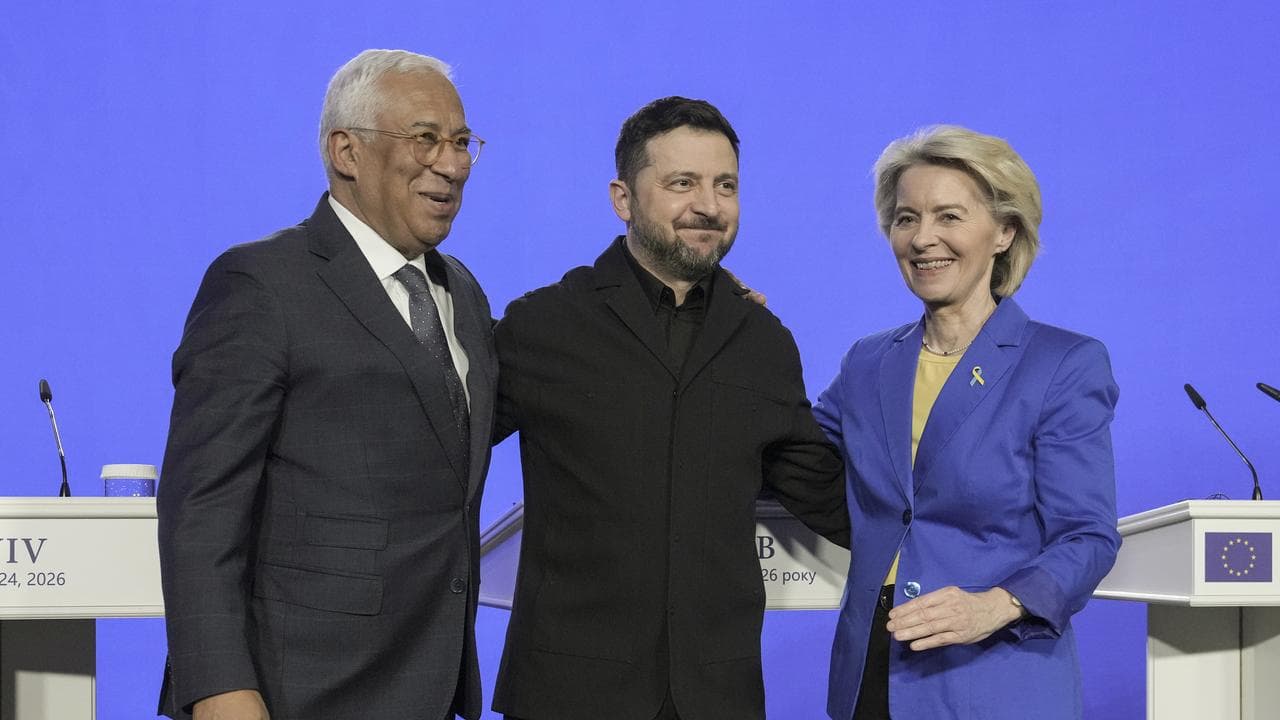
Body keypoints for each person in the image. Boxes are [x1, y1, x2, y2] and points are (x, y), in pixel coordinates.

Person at [156, 49, 495, 720]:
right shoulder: (262, 285)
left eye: (461, 143)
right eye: (426, 138)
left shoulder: (463, 292)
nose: (452, 165)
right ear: (346, 151)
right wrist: (220, 688)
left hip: (428, 689)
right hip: (297, 691)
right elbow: (202, 512)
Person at [490, 96, 849, 720]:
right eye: (682, 183)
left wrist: (975, 541)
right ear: (622, 198)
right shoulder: (542, 325)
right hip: (566, 696)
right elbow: (437, 457)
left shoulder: (765, 342)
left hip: (719, 699)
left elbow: (828, 495)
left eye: (725, 185)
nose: (707, 206)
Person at [816, 125, 1121, 720]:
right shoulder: (868, 362)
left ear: (1004, 231)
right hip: (872, 675)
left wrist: (995, 605)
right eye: (906, 218)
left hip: (995, 675)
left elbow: (1087, 536)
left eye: (948, 216)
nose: (923, 238)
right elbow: (792, 450)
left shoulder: (1061, 363)